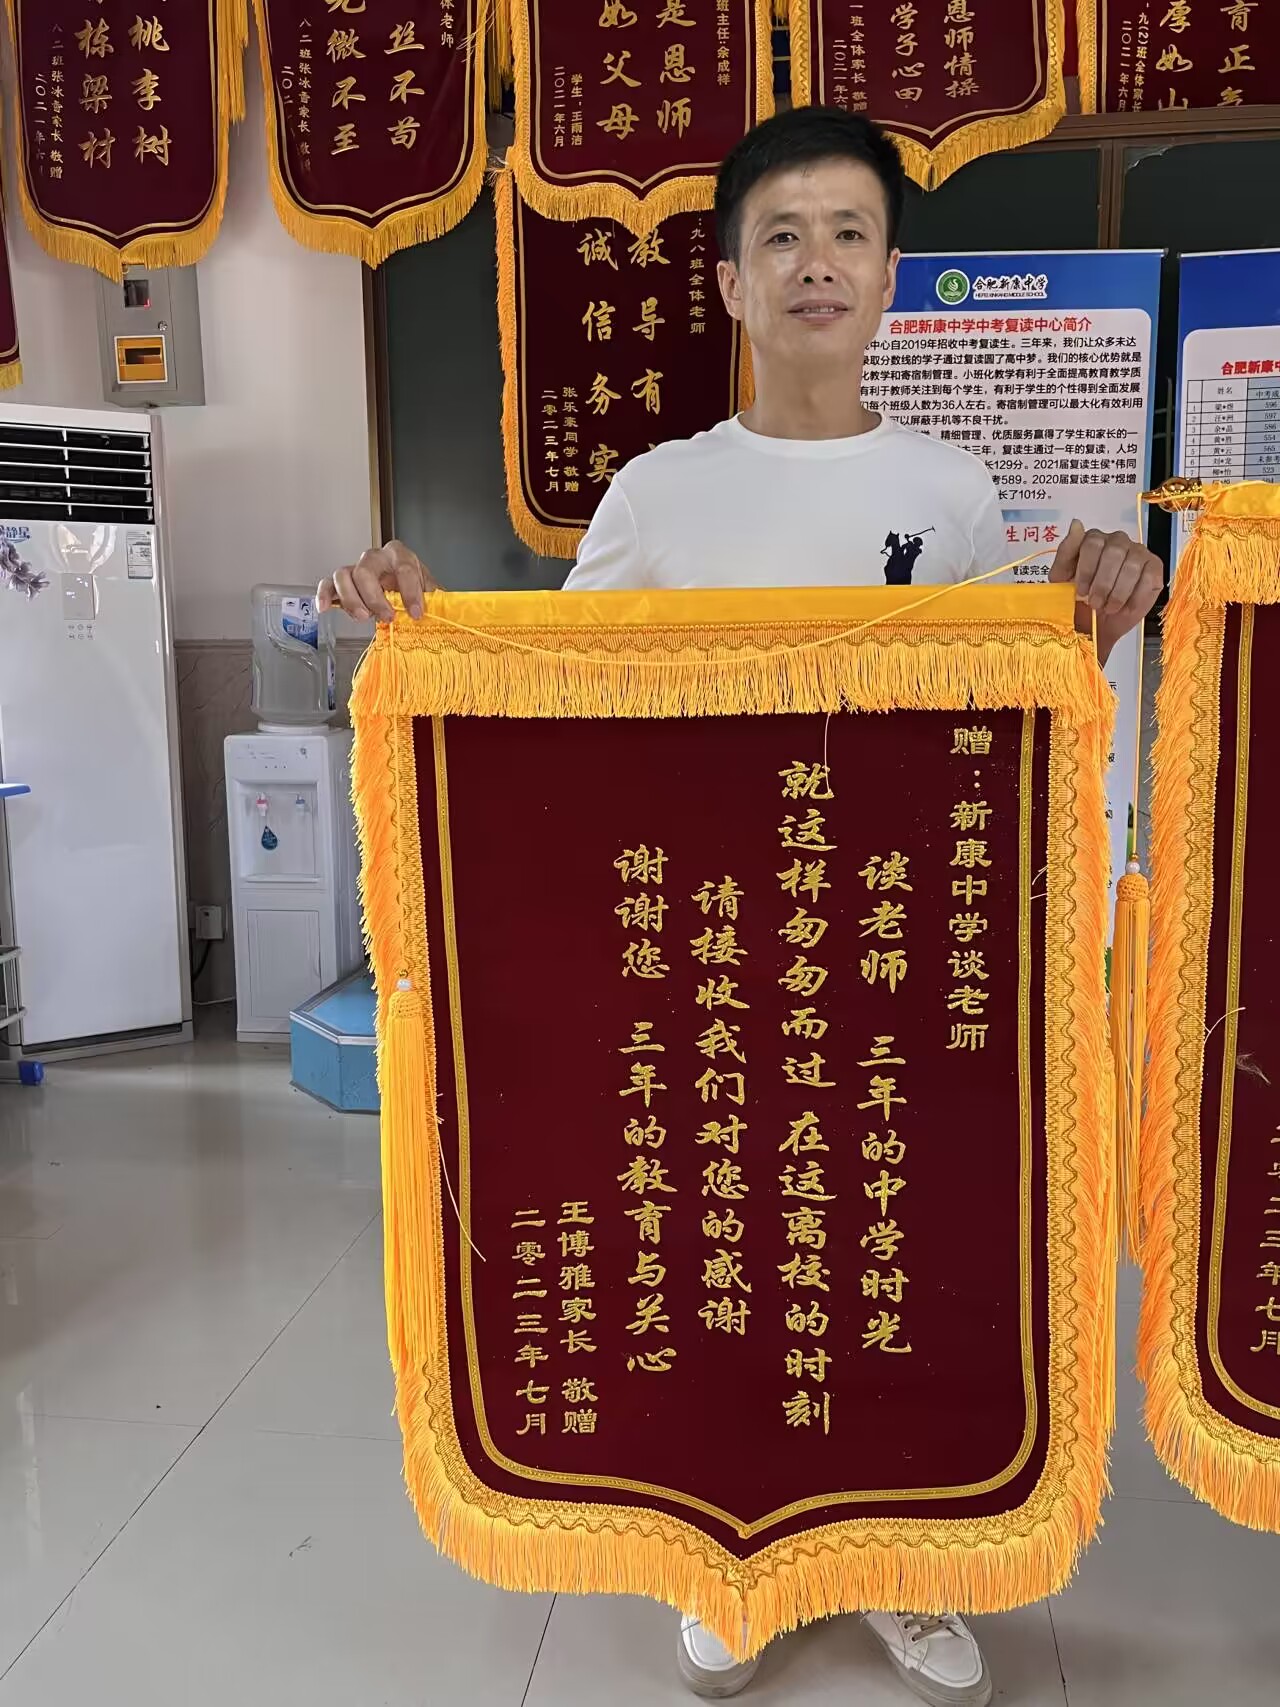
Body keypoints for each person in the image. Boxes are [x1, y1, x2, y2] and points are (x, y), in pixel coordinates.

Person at [320, 107, 1161, 1707]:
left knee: (897, 1254)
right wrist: (416, 629)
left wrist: (1098, 625)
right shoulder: (658, 496)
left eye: (848, 233)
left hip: (891, 971)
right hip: (713, 971)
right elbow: (549, 716)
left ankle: (900, 1566)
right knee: (736, 1249)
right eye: (782, 235)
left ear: (892, 275)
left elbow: (1000, 730)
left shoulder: (953, 490)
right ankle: (740, 1566)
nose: (816, 263)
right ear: (729, 282)